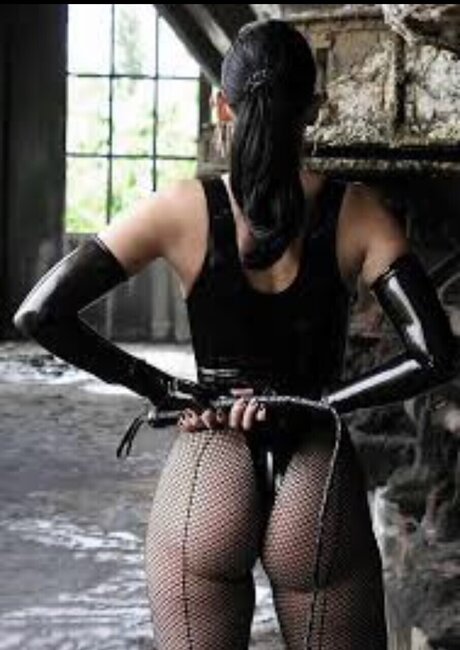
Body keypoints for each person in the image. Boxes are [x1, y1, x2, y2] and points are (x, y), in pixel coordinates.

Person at [13, 18, 459, 650]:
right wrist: (324, 404)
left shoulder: (178, 208)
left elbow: (39, 314)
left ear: (222, 105)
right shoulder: (360, 211)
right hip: (313, 471)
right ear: (315, 109)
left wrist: (164, 389)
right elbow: (435, 354)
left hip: (210, 464)